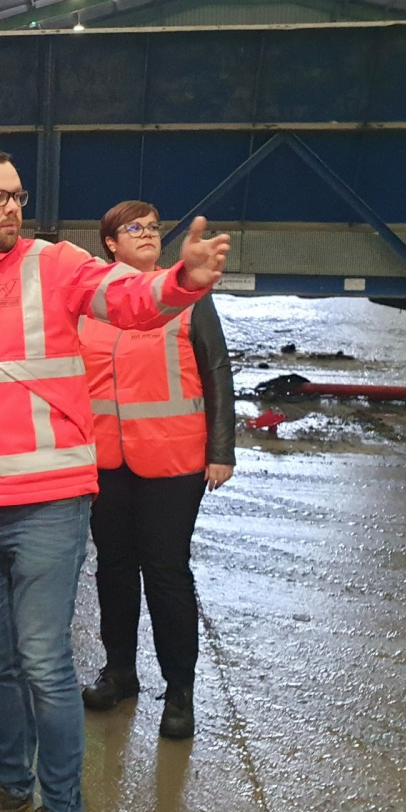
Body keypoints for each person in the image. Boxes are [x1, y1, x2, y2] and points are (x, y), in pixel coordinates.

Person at [0, 145, 229, 812]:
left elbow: (130, 301)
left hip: (49, 501)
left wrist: (180, 282)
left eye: (16, 195)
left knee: (44, 662)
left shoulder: (57, 264)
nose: (13, 207)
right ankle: (9, 798)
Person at [77, 201, 235, 740]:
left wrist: (223, 450)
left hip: (173, 460)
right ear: (110, 245)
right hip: (105, 462)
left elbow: (216, 370)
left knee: (166, 572)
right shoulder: (90, 304)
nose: (147, 234)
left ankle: (180, 691)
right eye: (133, 228)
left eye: (151, 227)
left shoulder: (186, 297)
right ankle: (119, 670)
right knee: (114, 567)